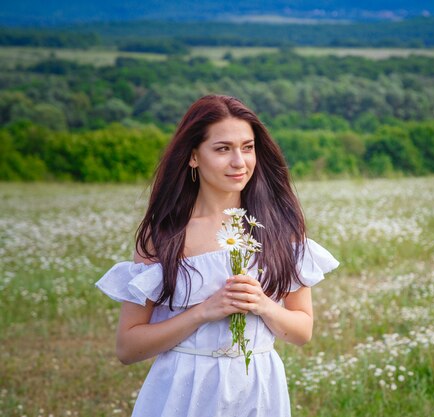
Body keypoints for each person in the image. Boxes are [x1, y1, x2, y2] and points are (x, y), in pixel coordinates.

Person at [95, 95, 339, 417]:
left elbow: (302, 331)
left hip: (258, 389)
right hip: (184, 391)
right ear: (193, 156)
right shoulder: (165, 237)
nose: (239, 162)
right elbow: (127, 348)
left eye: (247, 147)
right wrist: (203, 311)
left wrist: (263, 305)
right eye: (223, 149)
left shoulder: (280, 228)